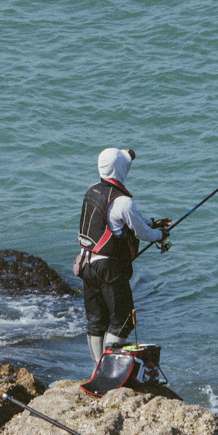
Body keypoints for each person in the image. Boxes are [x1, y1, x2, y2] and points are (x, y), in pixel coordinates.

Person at [74, 147, 170, 364]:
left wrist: (149, 221)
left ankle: (98, 368)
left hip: (86, 263)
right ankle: (109, 366)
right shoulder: (123, 201)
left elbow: (122, 218)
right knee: (124, 320)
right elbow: (143, 233)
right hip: (108, 269)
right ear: (120, 169)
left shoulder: (92, 191)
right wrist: (159, 233)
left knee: (96, 321)